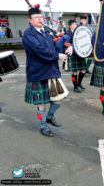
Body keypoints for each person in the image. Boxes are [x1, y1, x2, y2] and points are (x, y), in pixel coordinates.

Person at [23, 7, 68, 137]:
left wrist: (66, 44)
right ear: (30, 20)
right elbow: (39, 50)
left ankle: (49, 117)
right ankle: (43, 125)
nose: (40, 20)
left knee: (58, 99)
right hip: (38, 73)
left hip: (52, 71)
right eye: (37, 18)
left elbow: (56, 46)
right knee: (40, 103)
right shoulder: (28, 34)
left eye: (41, 18)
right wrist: (57, 56)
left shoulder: (47, 31)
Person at [65, 18, 87, 93]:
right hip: (73, 54)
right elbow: (67, 43)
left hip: (80, 54)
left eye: (75, 24)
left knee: (83, 70)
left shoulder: (79, 32)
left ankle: (79, 83)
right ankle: (75, 87)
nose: (75, 25)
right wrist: (71, 46)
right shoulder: (68, 34)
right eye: (73, 24)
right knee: (75, 72)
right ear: (70, 25)